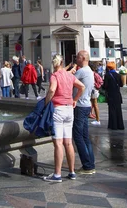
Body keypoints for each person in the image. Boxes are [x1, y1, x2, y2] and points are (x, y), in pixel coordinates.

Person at [43, 54, 85, 182]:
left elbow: (52, 90)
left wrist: (46, 103)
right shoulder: (69, 75)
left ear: (54, 64)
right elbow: (82, 87)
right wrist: (75, 99)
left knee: (58, 143)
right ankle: (72, 172)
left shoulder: (54, 76)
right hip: (69, 109)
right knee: (68, 142)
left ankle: (57, 174)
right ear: (62, 63)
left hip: (58, 109)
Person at [72, 51, 96, 174]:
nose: (76, 58)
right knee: (85, 136)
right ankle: (91, 164)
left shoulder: (81, 71)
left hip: (80, 106)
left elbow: (69, 81)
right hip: (86, 105)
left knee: (78, 136)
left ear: (82, 58)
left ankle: (87, 165)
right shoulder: (90, 71)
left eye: (77, 57)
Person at [103, 63, 124, 130]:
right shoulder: (118, 75)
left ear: (108, 68)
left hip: (111, 94)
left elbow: (105, 86)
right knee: (118, 110)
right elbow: (121, 84)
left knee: (112, 110)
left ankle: (113, 125)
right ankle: (120, 125)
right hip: (117, 94)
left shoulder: (107, 75)